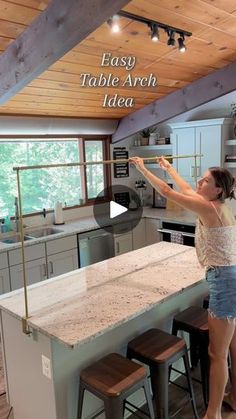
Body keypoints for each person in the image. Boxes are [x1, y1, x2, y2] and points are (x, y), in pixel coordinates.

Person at [130, 155, 236, 419]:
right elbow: (186, 190)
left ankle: (213, 414)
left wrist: (143, 168)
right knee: (233, 345)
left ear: (218, 189)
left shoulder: (209, 209)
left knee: (217, 353)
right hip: (231, 277)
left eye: (206, 180)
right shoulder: (217, 204)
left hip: (225, 282)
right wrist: (168, 168)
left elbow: (167, 191)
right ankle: (234, 397)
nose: (199, 181)